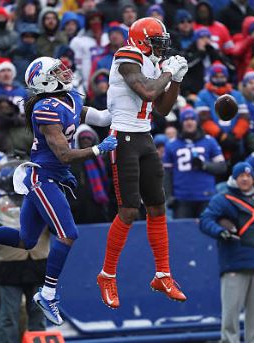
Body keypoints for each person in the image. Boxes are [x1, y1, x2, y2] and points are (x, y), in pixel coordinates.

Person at [0, 56, 117, 326]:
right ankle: (47, 293)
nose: (64, 72)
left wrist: (126, 97)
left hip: (52, 177)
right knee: (68, 234)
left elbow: (104, 116)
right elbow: (65, 154)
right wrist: (97, 149)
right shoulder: (45, 108)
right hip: (42, 177)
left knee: (26, 241)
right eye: (56, 71)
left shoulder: (70, 98)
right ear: (45, 80)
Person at [96, 17, 189, 309]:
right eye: (156, 40)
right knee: (128, 210)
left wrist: (176, 80)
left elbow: (162, 107)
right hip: (122, 136)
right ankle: (107, 274)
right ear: (140, 40)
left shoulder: (153, 63)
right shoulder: (127, 55)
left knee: (158, 205)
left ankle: (163, 273)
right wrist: (167, 73)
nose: (161, 46)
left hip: (145, 136)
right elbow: (147, 91)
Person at [199, 162, 254, 343]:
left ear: (253, 178)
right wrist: (219, 231)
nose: (245, 179)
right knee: (231, 314)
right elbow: (205, 220)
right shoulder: (222, 199)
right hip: (234, 264)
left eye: (248, 176)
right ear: (234, 178)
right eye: (241, 176)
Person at [163, 107, 226, 218]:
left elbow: (222, 167)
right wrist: (169, 196)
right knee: (183, 233)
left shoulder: (209, 141)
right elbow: (167, 174)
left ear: (197, 121)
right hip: (182, 198)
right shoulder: (171, 144)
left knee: (206, 231)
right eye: (186, 120)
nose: (189, 122)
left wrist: (204, 165)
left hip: (205, 196)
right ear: (182, 123)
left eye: (192, 119)